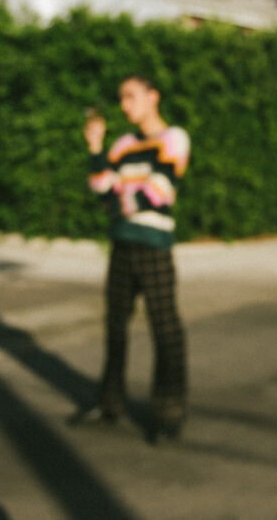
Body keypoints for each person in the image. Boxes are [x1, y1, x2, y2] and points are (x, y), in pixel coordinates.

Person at [76, 75, 191, 441]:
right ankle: (110, 404)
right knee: (114, 327)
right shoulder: (123, 145)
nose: (124, 104)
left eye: (131, 96)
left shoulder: (174, 139)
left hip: (154, 245)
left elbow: (157, 192)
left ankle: (169, 414)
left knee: (165, 329)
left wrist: (117, 199)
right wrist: (96, 147)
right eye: (121, 97)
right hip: (122, 244)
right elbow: (101, 188)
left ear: (152, 96)